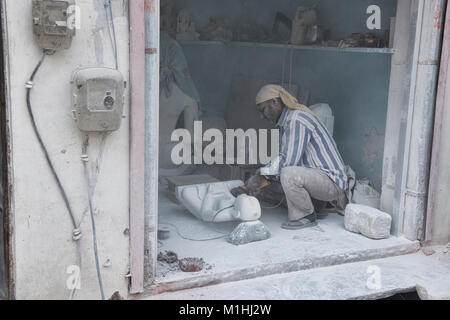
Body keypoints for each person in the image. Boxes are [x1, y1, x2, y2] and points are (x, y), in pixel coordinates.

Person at [231, 84, 348, 230]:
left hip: (331, 183)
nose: (262, 116)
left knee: (287, 173)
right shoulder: (287, 123)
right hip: (320, 179)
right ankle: (316, 206)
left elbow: (287, 161)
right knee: (274, 181)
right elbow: (283, 160)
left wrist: (259, 177)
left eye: (263, 110)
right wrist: (261, 176)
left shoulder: (296, 119)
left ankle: (306, 216)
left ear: (275, 102)